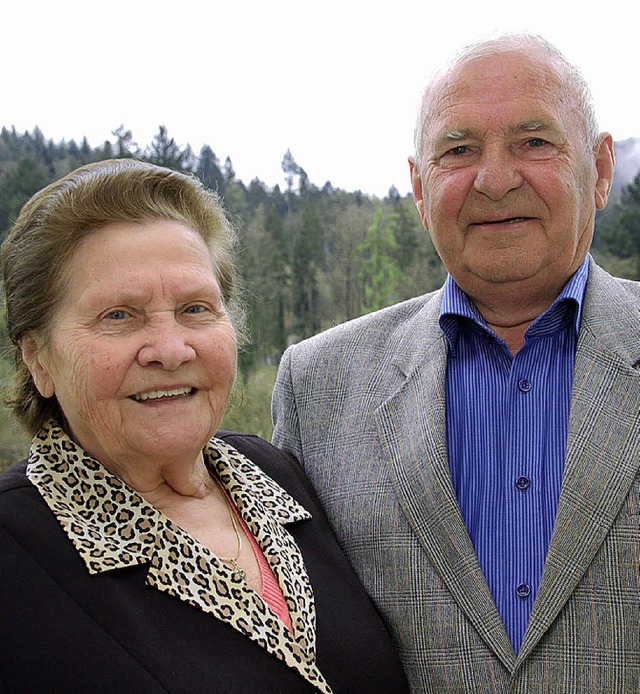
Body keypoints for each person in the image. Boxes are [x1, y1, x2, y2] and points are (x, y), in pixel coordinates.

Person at [272, 32, 640, 692]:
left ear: (602, 168)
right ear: (419, 185)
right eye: (458, 150)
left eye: (534, 142)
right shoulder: (317, 388)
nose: (494, 180)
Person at [0, 159, 409, 693]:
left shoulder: (276, 475)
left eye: (195, 308)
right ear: (39, 360)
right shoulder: (15, 551)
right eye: (119, 315)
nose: (171, 351)